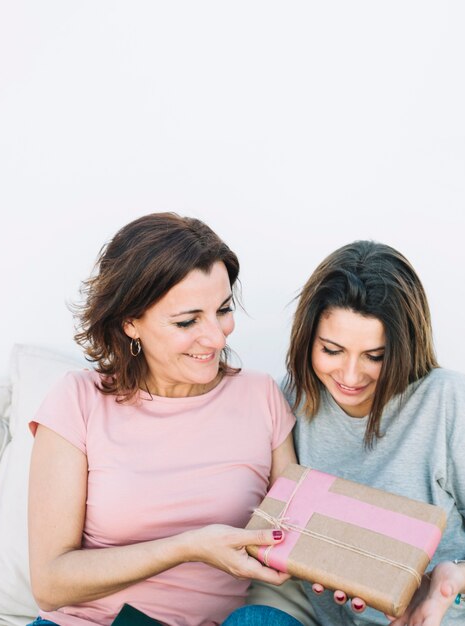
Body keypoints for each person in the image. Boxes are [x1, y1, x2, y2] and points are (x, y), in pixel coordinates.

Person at [27, 213, 301, 626]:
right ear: (130, 321)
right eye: (188, 321)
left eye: (223, 310)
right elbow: (49, 583)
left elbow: (298, 531)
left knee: (266, 621)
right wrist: (188, 546)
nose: (217, 336)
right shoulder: (78, 400)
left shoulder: (261, 396)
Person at [250, 240, 465, 626]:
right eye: (332, 350)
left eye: (375, 356)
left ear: (404, 346)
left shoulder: (448, 400)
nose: (350, 376)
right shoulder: (292, 397)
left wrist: (450, 578)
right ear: (308, 340)